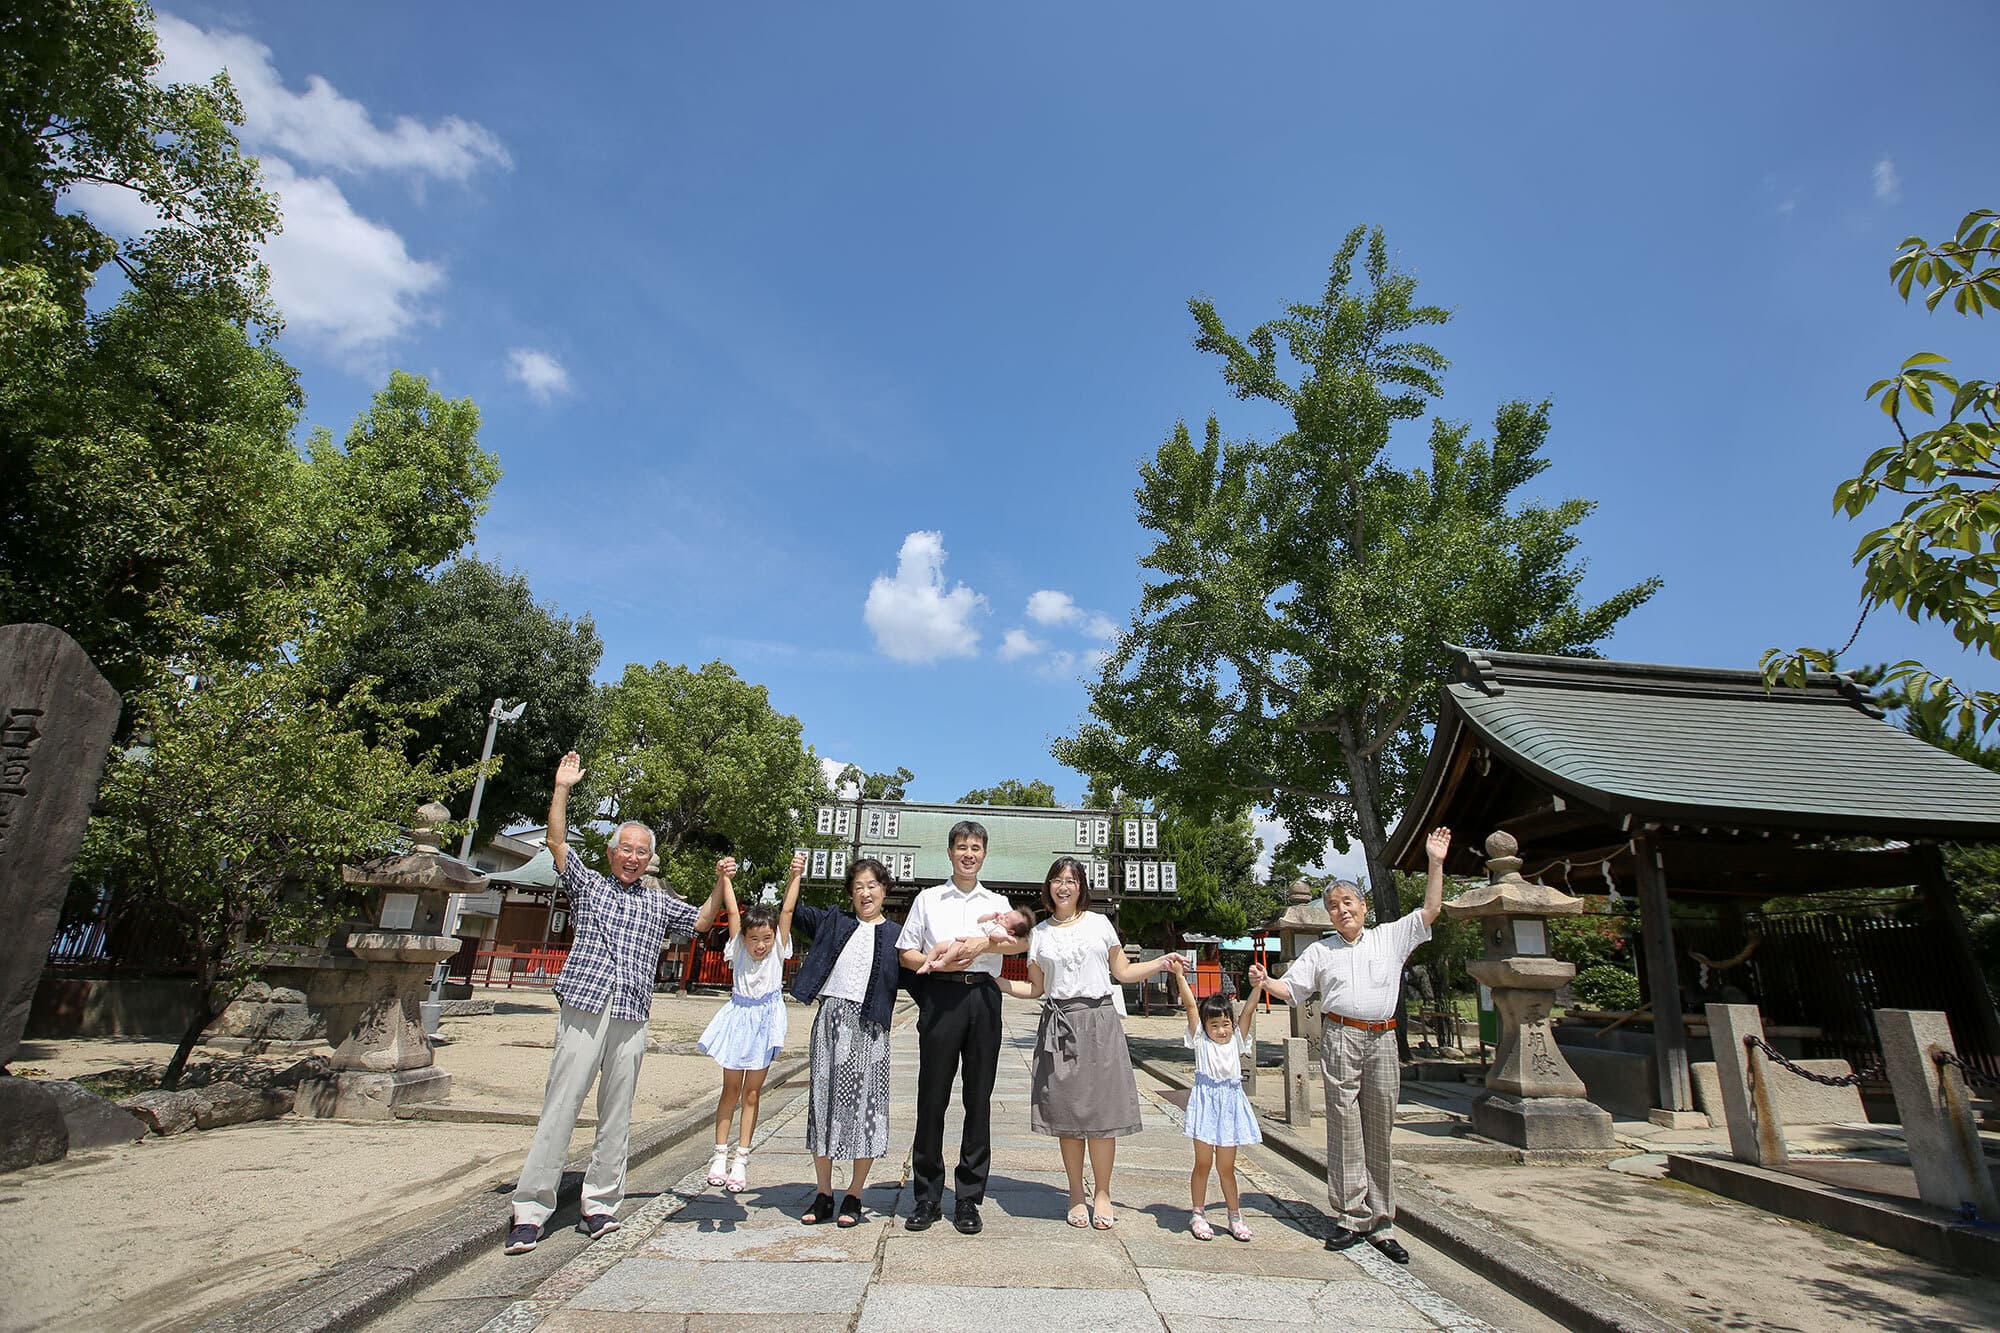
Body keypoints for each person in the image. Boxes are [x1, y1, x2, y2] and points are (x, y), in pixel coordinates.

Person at [506, 751, 725, 1255]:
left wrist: (719, 883)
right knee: (561, 1104)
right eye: (625, 849)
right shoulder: (589, 888)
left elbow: (699, 922)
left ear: (650, 859)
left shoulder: (656, 900)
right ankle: (531, 1208)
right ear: (611, 853)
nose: (632, 857)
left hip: (631, 1012)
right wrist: (562, 788)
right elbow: (558, 843)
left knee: (617, 1109)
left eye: (641, 852)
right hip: (586, 1002)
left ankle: (601, 1202)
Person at [1253, 826, 1452, 1264]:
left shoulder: (1390, 937)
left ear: (1363, 906)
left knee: (1379, 1127)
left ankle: (1382, 1222)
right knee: (1344, 1127)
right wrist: (1266, 981)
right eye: (1333, 906)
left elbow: (1431, 909)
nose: (1342, 911)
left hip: (1382, 1037)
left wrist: (1435, 861)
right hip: (1340, 1035)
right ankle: (1349, 1216)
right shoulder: (1322, 951)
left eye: (1347, 903)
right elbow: (1293, 989)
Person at [992, 857, 1182, 1228]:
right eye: (1057, 880)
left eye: (1071, 880)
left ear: (1081, 887)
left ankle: (1104, 1193)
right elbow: (1035, 988)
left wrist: (1161, 963)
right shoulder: (1041, 933)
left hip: (1100, 1021)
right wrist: (992, 981)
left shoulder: (1100, 924)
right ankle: (1076, 1193)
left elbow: (1122, 972)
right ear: (1048, 888)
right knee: (1067, 1114)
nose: (1063, 886)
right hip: (1059, 1025)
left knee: (1102, 1115)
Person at [895, 819, 1027, 1234]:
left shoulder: (998, 900)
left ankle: (968, 1197)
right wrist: (938, 962)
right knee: (932, 1097)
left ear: (984, 854)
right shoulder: (928, 899)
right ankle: (927, 1195)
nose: (969, 854)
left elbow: (1023, 941)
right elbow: (906, 953)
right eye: (961, 847)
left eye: (976, 847)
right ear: (949, 852)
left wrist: (983, 944)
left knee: (978, 1097)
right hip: (941, 995)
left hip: (983, 997)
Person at [789, 855, 905, 1227]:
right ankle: (823, 1192)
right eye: (858, 887)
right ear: (850, 894)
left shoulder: (898, 936)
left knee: (865, 1108)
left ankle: (855, 1193)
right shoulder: (834, 923)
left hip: (870, 1027)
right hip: (831, 1021)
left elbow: (923, 971)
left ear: (884, 890)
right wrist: (795, 877)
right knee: (822, 1104)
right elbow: (790, 912)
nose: (865, 893)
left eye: (872, 885)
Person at [696, 851, 801, 1192]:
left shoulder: (778, 948)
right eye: (754, 939)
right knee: (730, 1089)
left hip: (765, 1018)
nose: (760, 945)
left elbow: (786, 910)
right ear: (743, 939)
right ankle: (719, 1154)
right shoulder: (738, 948)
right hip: (739, 1016)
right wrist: (725, 877)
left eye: (766, 939)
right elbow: (731, 911)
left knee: (753, 1093)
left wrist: (795, 873)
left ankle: (741, 1158)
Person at [1173, 965, 1263, 1242]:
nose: (1220, 1030)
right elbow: (1190, 1005)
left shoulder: (1237, 1039)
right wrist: (1179, 975)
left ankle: (1234, 1215)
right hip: (1205, 1103)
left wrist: (1258, 985)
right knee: (1202, 1163)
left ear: (1232, 1025)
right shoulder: (1200, 1039)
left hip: (1230, 1104)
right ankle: (1198, 1213)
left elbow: (1247, 1011)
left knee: (1226, 1166)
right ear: (1205, 1025)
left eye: (1225, 1024)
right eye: (1214, 1024)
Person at [915, 906, 1034, 973]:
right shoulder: (993, 922)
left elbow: (994, 936)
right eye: (1005, 914)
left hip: (965, 945)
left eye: (1006, 919)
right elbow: (980, 920)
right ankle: (926, 965)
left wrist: (1006, 937)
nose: (1002, 917)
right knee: (938, 946)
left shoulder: (1000, 930)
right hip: (960, 941)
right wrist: (991, 915)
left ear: (1011, 931)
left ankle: (942, 962)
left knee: (953, 949)